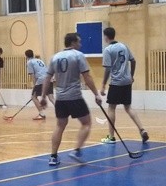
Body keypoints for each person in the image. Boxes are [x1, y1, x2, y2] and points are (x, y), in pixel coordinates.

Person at [41, 33, 102, 166]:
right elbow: (87, 77)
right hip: (74, 97)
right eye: (79, 42)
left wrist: (44, 96)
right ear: (73, 43)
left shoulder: (55, 57)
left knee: (60, 126)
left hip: (60, 98)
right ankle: (76, 150)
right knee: (86, 123)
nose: (80, 44)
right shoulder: (78, 55)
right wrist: (96, 94)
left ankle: (53, 156)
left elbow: (47, 78)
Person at [99, 27, 148, 144]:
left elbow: (107, 69)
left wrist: (103, 84)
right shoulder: (124, 46)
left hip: (116, 82)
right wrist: (131, 75)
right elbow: (133, 60)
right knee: (128, 107)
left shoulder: (108, 50)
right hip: (126, 81)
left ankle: (111, 136)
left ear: (105, 36)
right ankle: (142, 129)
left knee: (111, 108)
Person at [25, 49, 54, 120]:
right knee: (51, 97)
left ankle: (41, 114)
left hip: (41, 79)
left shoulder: (29, 62)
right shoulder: (39, 60)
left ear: (26, 56)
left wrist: (34, 86)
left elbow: (33, 75)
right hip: (49, 78)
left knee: (33, 97)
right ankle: (62, 112)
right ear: (33, 54)